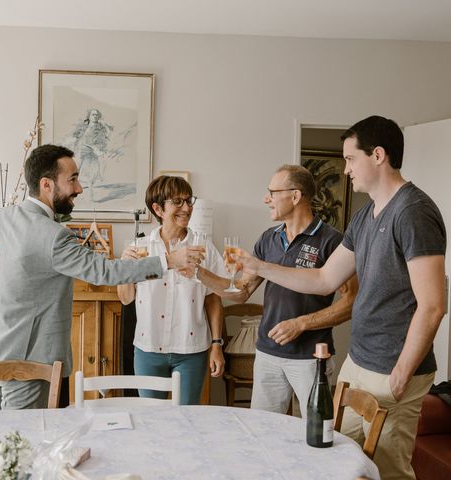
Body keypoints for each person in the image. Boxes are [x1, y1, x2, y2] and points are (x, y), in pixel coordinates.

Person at [234, 116, 446, 480]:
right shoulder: (365, 216)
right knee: (333, 458)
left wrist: (401, 374)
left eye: (350, 159)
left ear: (377, 155)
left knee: (388, 469)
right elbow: (323, 278)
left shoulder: (413, 212)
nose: (345, 169)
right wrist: (261, 267)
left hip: (393, 368)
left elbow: (433, 305)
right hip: (359, 363)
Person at [0, 144, 202, 410]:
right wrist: (168, 261)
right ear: (46, 184)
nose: (79, 189)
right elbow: (105, 272)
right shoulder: (54, 236)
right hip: (27, 363)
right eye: (73, 179)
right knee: (26, 442)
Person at [196, 165, 358, 417]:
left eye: (272, 192)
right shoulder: (267, 239)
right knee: (264, 431)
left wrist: (302, 323)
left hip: (311, 357)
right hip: (267, 355)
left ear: (295, 196)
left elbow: (351, 302)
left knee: (315, 431)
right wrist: (198, 273)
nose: (265, 198)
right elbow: (241, 291)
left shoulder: (332, 241)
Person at [117, 176, 226, 405]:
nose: (187, 208)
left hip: (192, 351)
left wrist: (217, 345)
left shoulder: (204, 247)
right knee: (150, 418)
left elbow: (213, 300)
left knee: (187, 419)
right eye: (178, 201)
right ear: (158, 208)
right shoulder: (140, 248)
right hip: (148, 350)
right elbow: (126, 299)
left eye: (189, 201)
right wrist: (127, 270)